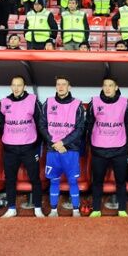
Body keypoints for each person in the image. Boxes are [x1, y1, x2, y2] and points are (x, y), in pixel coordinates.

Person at [86, 77, 128, 217]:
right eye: (105, 85)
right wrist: (94, 141)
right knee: (97, 181)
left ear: (116, 87)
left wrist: (123, 141)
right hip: (99, 149)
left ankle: (122, 209)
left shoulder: (124, 103)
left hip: (119, 149)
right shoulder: (94, 102)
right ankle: (96, 209)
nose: (107, 88)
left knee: (121, 181)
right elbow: (89, 124)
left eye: (110, 85)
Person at [39, 76, 85, 217]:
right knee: (54, 181)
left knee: (73, 181)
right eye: (58, 84)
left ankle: (76, 211)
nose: (61, 87)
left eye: (64, 84)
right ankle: (53, 211)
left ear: (69, 87)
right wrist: (56, 143)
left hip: (70, 150)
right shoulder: (48, 103)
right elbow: (42, 125)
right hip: (53, 149)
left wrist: (63, 143)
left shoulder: (77, 105)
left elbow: (80, 129)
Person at [0, 76, 44, 218]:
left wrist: (36, 144)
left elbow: (40, 123)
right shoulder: (5, 102)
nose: (16, 88)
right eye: (14, 85)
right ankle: (11, 208)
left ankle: (38, 208)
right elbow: (1, 124)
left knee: (35, 178)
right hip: (10, 149)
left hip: (29, 148)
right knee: (10, 179)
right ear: (11, 86)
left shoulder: (33, 100)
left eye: (19, 85)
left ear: (24, 87)